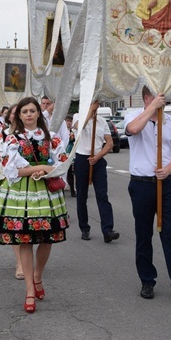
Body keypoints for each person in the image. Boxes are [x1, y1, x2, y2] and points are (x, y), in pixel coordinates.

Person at [0, 97, 70, 314]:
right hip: (21, 193)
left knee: (48, 238)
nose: (28, 114)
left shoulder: (51, 138)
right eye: (24, 111)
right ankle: (28, 290)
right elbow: (11, 170)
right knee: (24, 238)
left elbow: (63, 164)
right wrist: (43, 166)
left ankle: (37, 276)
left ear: (38, 113)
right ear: (19, 116)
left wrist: (46, 170)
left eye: (32, 110)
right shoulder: (12, 139)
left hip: (45, 193)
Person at [123, 86, 171, 303]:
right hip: (142, 185)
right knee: (144, 235)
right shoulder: (134, 115)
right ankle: (147, 280)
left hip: (165, 184)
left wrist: (168, 169)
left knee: (170, 234)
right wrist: (152, 109)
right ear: (148, 97)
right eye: (159, 97)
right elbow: (133, 129)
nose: (164, 101)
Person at [72, 100, 119, 243]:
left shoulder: (102, 121)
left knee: (102, 195)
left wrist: (97, 157)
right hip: (82, 159)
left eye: (96, 103)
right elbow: (79, 128)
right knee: (82, 195)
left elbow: (109, 143)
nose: (95, 106)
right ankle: (84, 228)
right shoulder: (78, 116)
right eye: (92, 103)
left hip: (97, 160)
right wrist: (89, 112)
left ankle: (108, 230)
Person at [0, 105, 23, 280]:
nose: (16, 116)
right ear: (8, 117)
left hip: (30, 182)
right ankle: (20, 262)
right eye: (13, 113)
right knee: (14, 221)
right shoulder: (1, 135)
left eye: (20, 112)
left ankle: (30, 260)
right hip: (8, 182)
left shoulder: (33, 134)